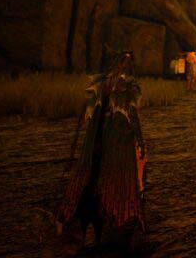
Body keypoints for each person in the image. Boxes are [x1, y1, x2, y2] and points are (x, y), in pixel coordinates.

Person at [58, 50, 146, 251]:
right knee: (102, 178)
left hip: (108, 140)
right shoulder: (119, 86)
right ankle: (103, 219)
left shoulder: (104, 83)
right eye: (125, 62)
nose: (125, 67)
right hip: (111, 141)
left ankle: (95, 221)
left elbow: (91, 113)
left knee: (98, 177)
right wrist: (139, 140)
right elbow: (130, 115)